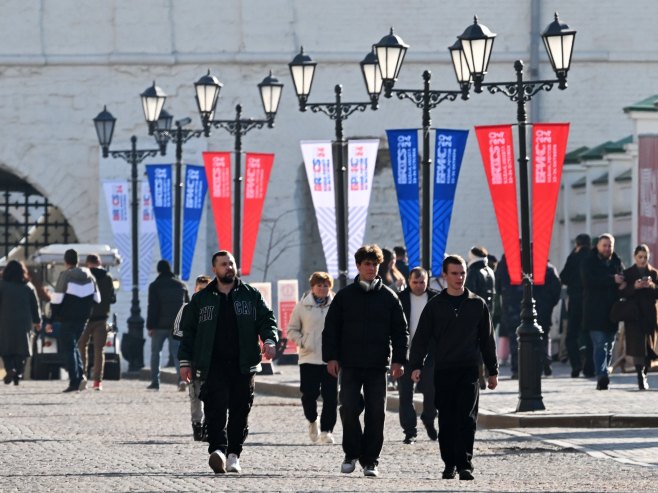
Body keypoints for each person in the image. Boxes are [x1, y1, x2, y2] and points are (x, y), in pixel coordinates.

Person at [178, 250, 278, 475]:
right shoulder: (202, 299)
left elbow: (266, 319)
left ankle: (234, 454)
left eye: (231, 263)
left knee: (240, 411)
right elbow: (189, 332)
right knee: (215, 409)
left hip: (243, 364)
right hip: (212, 364)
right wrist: (185, 361)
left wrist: (269, 339)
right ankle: (218, 451)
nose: (229, 267)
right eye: (224, 264)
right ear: (215, 269)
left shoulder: (250, 295)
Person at [409, 255, 498, 481]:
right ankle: (449, 464)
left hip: (469, 370)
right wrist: (416, 365)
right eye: (455, 273)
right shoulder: (435, 305)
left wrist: (492, 370)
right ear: (445, 276)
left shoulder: (477, 304)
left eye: (462, 273)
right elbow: (421, 338)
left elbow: (487, 340)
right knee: (447, 419)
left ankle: (465, 465)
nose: (459, 278)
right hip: (444, 369)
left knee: (467, 418)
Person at [323, 244, 408, 478]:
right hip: (349, 364)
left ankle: (371, 460)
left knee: (376, 413)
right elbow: (331, 329)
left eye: (375, 264)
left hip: (378, 365)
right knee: (349, 408)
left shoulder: (389, 297)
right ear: (358, 266)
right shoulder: (344, 297)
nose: (371, 268)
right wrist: (331, 357)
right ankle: (351, 453)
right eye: (367, 264)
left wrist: (399, 360)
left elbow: (401, 332)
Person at [286, 271, 337, 445]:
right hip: (308, 358)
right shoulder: (302, 306)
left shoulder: (337, 304)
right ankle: (312, 420)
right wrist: (302, 342)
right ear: (312, 287)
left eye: (326, 285)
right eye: (319, 285)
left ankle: (326, 430)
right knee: (309, 395)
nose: (323, 288)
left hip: (331, 359)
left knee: (331, 397)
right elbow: (291, 329)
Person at [48, 248, 100, 392]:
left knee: (69, 349)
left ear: (66, 261)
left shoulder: (65, 276)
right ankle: (80, 377)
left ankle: (74, 381)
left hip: (67, 318)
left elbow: (57, 300)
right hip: (83, 318)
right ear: (78, 261)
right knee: (74, 347)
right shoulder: (90, 276)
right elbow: (97, 299)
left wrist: (51, 320)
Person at [397, 266, 439, 444]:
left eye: (422, 282)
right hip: (405, 353)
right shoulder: (400, 299)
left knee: (431, 391)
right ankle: (410, 431)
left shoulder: (436, 298)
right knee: (405, 394)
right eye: (415, 282)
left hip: (430, 355)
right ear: (409, 281)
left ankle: (428, 419)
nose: (419, 285)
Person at [581, 233, 625, 390]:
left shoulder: (616, 261)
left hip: (612, 312)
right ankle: (601, 375)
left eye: (610, 246)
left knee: (610, 345)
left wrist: (623, 285)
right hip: (594, 311)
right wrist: (611, 279)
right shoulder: (589, 262)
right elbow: (589, 281)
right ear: (598, 246)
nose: (607, 249)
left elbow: (622, 277)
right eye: (604, 245)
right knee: (600, 344)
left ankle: (604, 371)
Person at [172, 274, 212, 441]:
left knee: (213, 393)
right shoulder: (187, 308)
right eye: (200, 289)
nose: (203, 292)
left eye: (206, 288)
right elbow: (177, 331)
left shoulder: (215, 306)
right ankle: (197, 424)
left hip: (212, 359)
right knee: (195, 394)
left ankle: (210, 425)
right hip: (195, 358)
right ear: (196, 289)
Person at [619, 244, 658, 390]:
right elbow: (622, 293)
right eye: (640, 257)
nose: (642, 260)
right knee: (637, 348)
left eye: (645, 257)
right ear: (635, 257)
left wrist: (651, 285)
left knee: (649, 348)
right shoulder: (628, 273)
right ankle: (640, 376)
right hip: (634, 315)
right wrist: (634, 287)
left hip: (649, 315)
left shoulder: (653, 273)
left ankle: (645, 372)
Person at [146, 259, 189, 391]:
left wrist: (150, 326)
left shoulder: (154, 285)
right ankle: (181, 380)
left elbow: (152, 307)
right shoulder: (181, 285)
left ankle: (155, 382)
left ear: (159, 270)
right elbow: (187, 305)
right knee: (177, 354)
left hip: (159, 325)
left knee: (155, 353)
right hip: (177, 325)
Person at [77, 254, 116, 391]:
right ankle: (97, 382)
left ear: (88, 263)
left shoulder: (84, 277)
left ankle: (83, 377)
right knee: (99, 350)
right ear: (99, 263)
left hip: (85, 318)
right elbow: (112, 298)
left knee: (82, 347)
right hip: (102, 318)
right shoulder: (108, 277)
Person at [0, 261, 41, 385]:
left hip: (4, 321)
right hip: (24, 322)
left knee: (5, 348)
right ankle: (18, 373)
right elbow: (35, 305)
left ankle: (10, 369)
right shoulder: (28, 286)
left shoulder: (1, 285)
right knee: (22, 349)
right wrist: (37, 321)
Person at [560, 233, 594, 378]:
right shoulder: (594, 257)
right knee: (589, 334)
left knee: (571, 336)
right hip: (591, 300)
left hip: (574, 300)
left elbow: (563, 277)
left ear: (577, 245)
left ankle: (576, 364)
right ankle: (589, 367)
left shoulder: (573, 257)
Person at [465, 246, 495, 389]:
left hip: (475, 313)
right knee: (487, 343)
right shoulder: (489, 271)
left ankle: (480, 375)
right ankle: (490, 372)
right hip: (489, 311)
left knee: (475, 345)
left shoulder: (473, 271)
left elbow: (469, 294)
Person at [495, 254, 523, 379]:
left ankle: (517, 369)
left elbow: (498, 286)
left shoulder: (504, 262)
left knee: (514, 338)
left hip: (510, 305)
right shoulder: (529, 258)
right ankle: (531, 367)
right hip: (527, 304)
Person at [533, 261, 562, 376]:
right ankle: (545, 360)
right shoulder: (550, 269)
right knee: (544, 335)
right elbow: (557, 289)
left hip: (534, 306)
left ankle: (541, 362)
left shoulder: (526, 269)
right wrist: (550, 303)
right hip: (545, 307)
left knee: (533, 337)